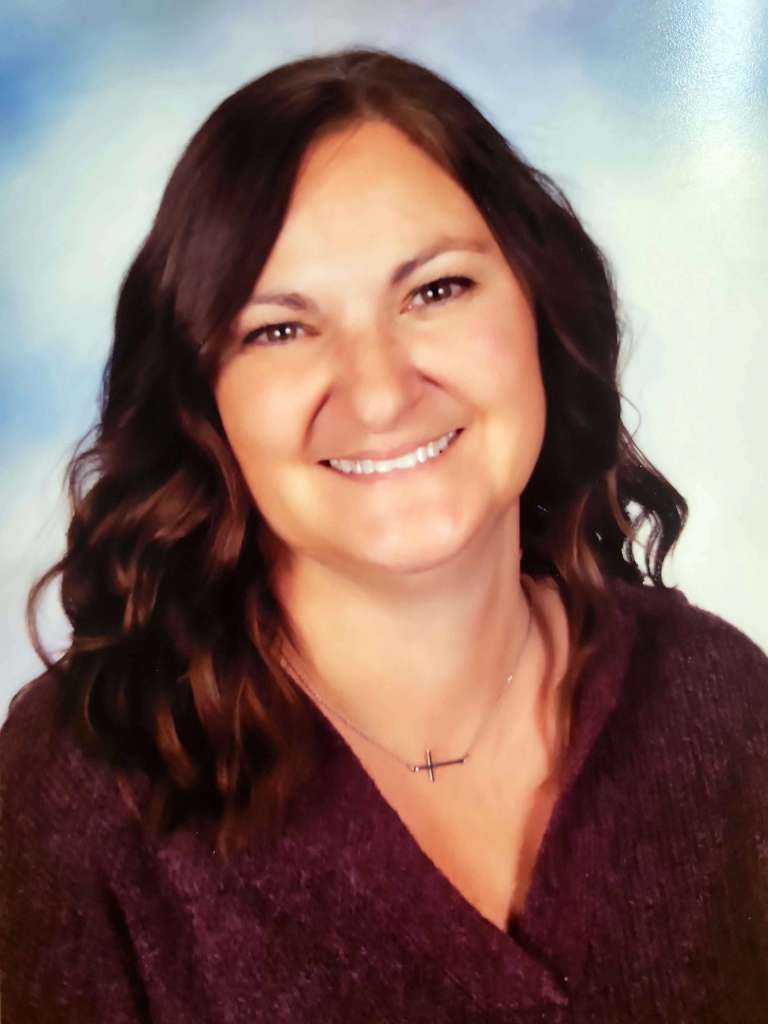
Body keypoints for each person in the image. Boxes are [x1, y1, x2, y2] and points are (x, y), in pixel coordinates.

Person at [1, 46, 766, 1023]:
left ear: (542, 308)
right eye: (279, 329)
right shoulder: (82, 782)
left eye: (436, 290)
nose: (379, 393)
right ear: (204, 403)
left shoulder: (723, 703)